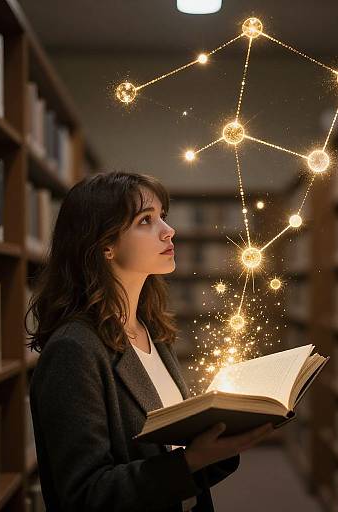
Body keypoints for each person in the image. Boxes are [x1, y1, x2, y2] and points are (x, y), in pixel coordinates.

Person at [26, 171, 275, 512]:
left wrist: (216, 443)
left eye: (163, 217)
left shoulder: (150, 331)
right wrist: (189, 462)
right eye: (146, 220)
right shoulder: (74, 350)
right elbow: (85, 496)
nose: (168, 230)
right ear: (105, 245)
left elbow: (168, 456)